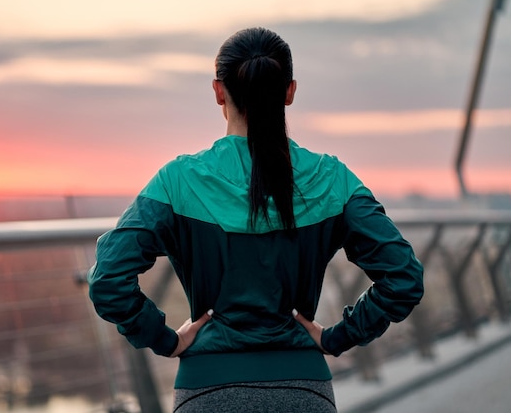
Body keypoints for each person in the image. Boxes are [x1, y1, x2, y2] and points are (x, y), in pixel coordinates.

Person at [88, 27, 424, 412]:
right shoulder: (333, 179)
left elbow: (108, 279)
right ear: (289, 92)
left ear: (219, 92)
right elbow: (404, 277)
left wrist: (165, 338)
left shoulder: (178, 181)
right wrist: (338, 337)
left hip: (206, 391)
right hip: (304, 390)